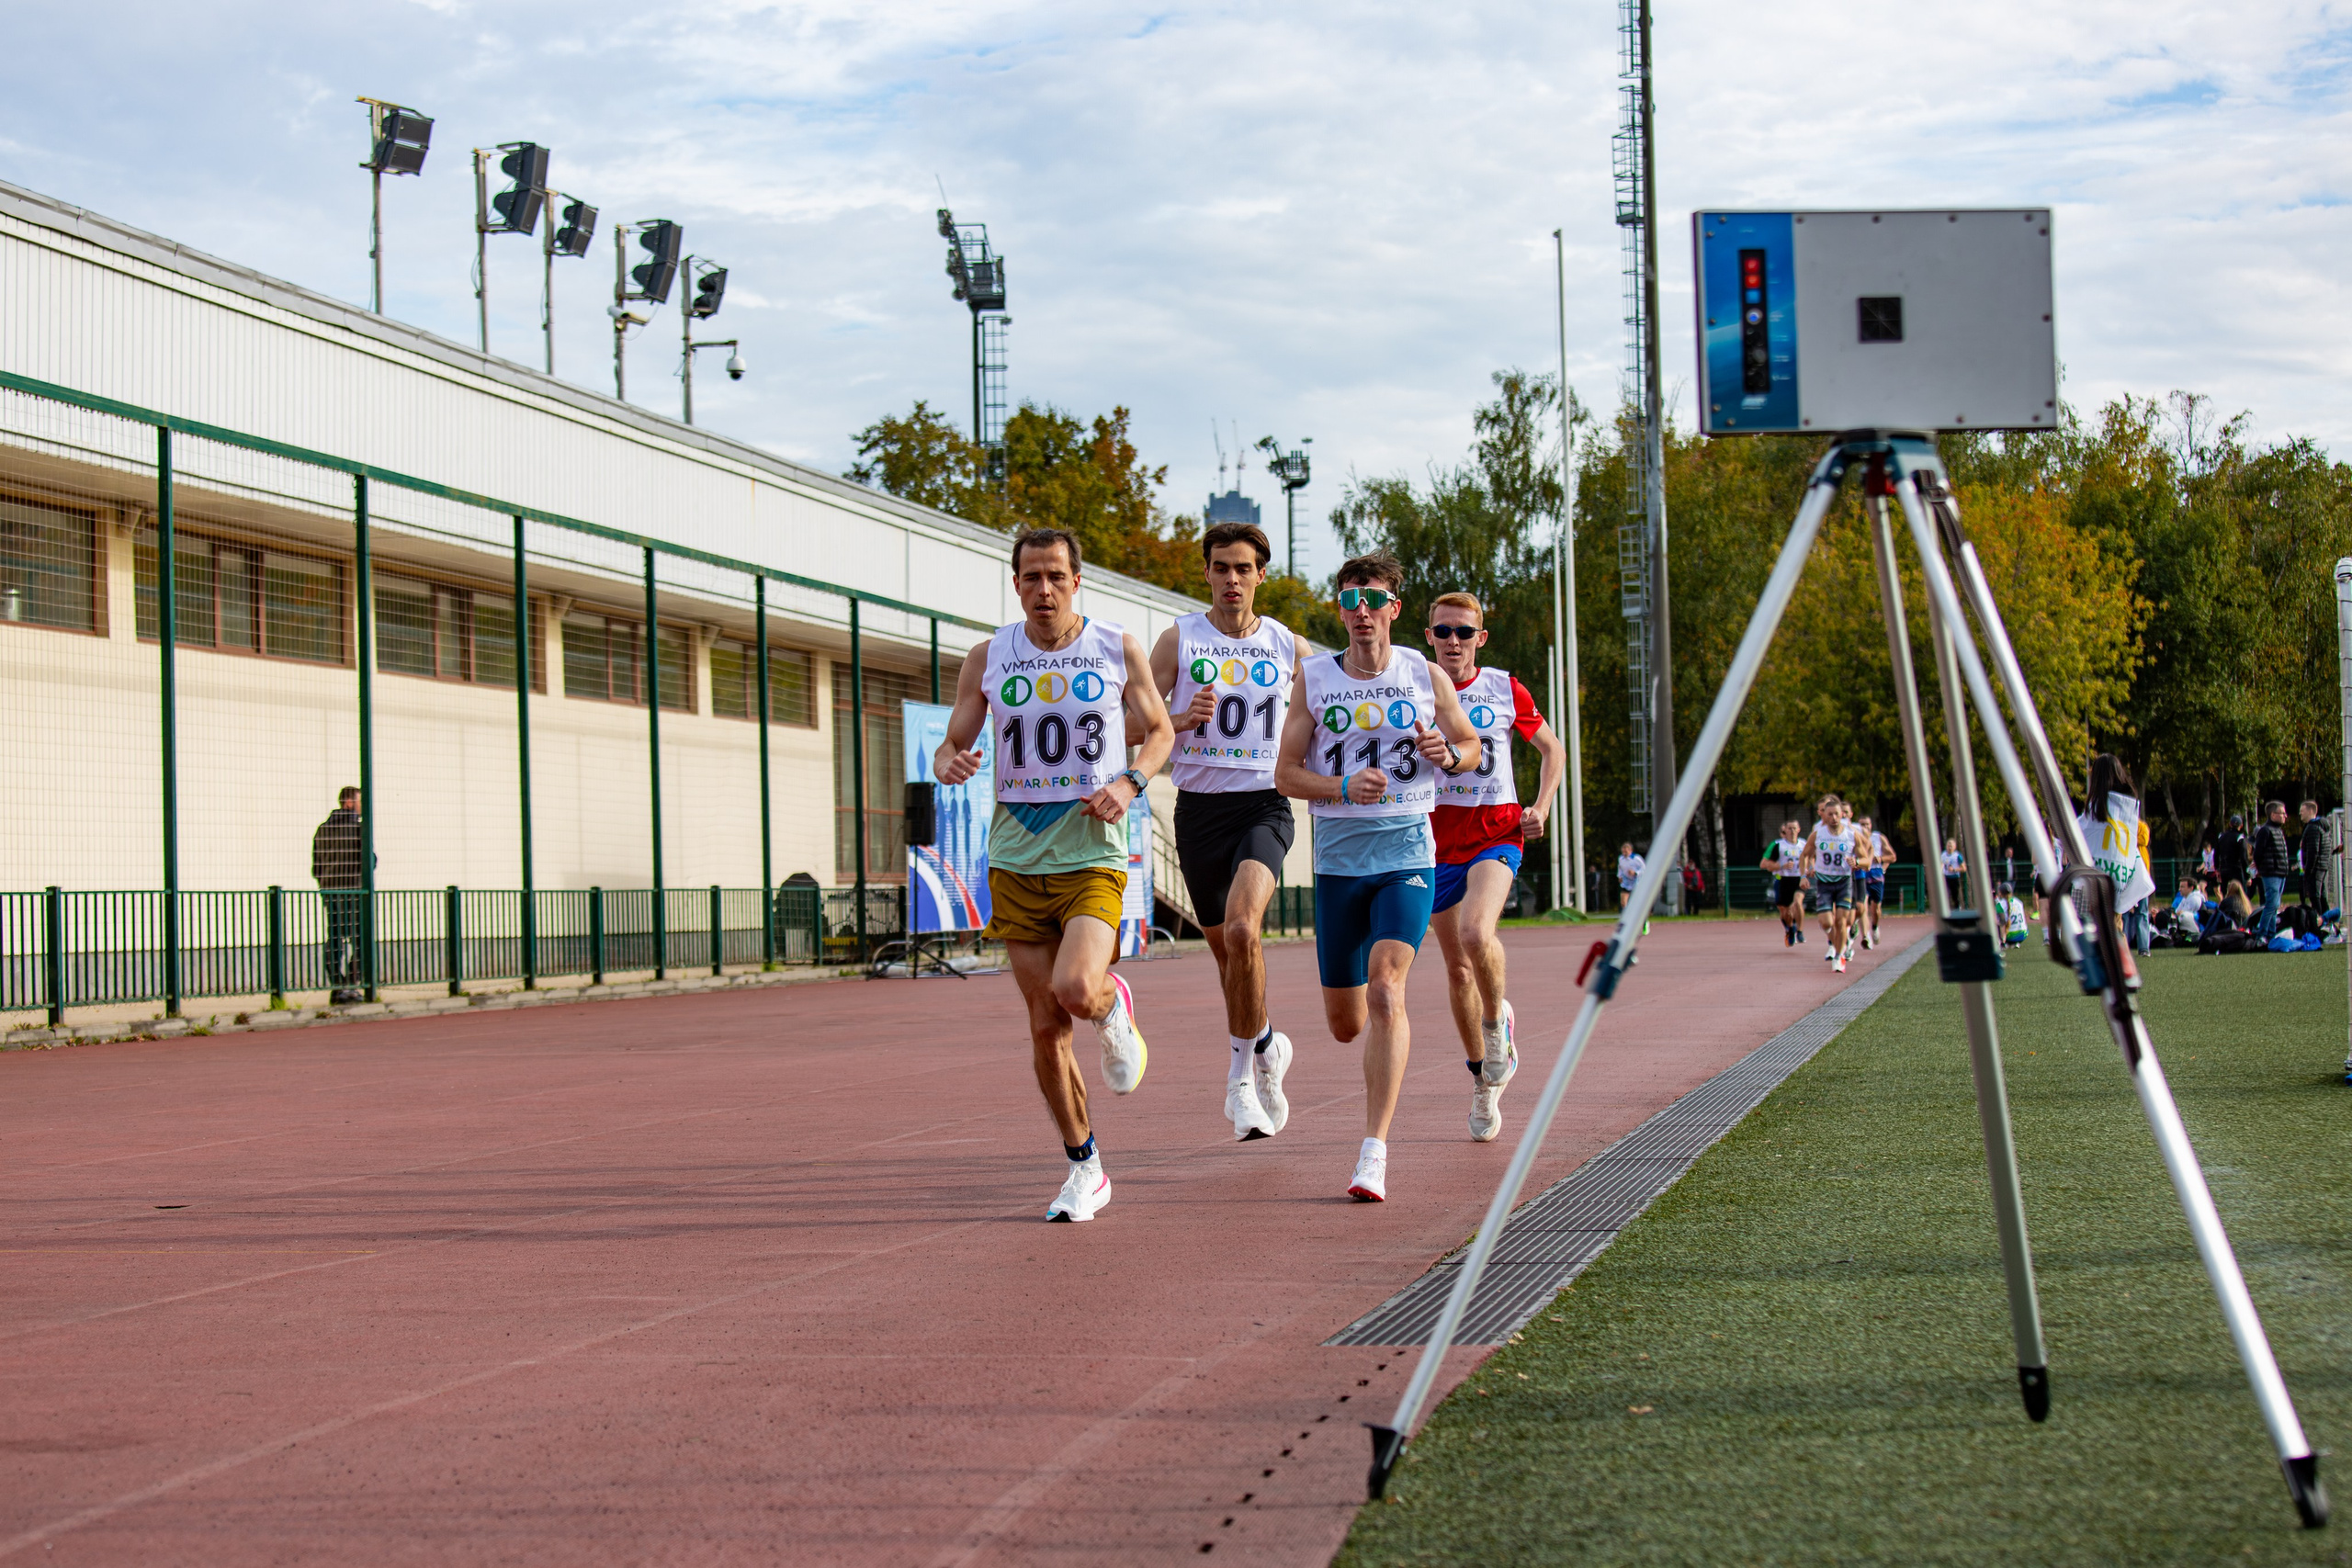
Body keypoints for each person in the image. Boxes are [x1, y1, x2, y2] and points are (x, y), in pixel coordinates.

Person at [934, 527, 1174, 1223]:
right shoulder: (989, 656)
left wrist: (1130, 783)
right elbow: (957, 739)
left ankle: (1110, 1002)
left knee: (1073, 987)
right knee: (1044, 1026)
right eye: (1032, 576)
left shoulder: (1116, 644)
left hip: (1091, 848)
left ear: (1077, 581)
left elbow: (1158, 731)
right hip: (1014, 854)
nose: (1044, 589)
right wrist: (950, 759)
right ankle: (1085, 1165)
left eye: (1056, 576)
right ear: (1016, 584)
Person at [1273, 549, 1480, 1202]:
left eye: (1372, 598)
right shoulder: (1315, 678)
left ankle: (1373, 1152)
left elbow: (1470, 749)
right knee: (1345, 1022)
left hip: (1407, 854)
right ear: (1341, 609)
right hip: (1338, 863)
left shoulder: (1425, 675)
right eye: (1348, 599)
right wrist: (1338, 784)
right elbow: (1284, 773)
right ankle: (1290, 1047)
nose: (1359, 610)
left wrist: (1448, 752)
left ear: (1393, 608)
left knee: (1387, 991)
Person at [1149, 520, 1307, 1142]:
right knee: (1229, 953)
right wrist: (1176, 716)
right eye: (1221, 567)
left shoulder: (1288, 645)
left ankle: (1241, 1077)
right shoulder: (1178, 639)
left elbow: (1336, 706)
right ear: (1207, 573)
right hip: (1199, 812)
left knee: (1244, 927)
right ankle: (1267, 1042)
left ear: (1261, 574)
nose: (1232, 579)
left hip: (1264, 805)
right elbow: (1127, 721)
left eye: (1243, 568)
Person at [1421, 591, 1567, 1143]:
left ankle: (1495, 1026)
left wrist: (1541, 807)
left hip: (1496, 830)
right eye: (1443, 631)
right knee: (1456, 968)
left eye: (1464, 632)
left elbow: (1552, 750)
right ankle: (1483, 1079)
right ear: (1429, 636)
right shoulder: (1412, 687)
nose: (1453, 641)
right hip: (1434, 839)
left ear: (1480, 639)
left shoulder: (1505, 688)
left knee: (1476, 932)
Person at [2079, 754, 2155, 957]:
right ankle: (2120, 968)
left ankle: (2106, 969)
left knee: (2092, 927)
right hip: (2120, 876)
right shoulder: (2128, 806)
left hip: (2095, 879)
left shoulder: (2095, 809)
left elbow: (2079, 833)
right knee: (2115, 925)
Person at [311, 785, 369, 1004]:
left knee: (335, 938)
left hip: (330, 892)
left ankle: (337, 986)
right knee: (361, 940)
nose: (362, 806)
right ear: (349, 803)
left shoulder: (323, 829)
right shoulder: (358, 829)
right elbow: (369, 861)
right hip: (354, 891)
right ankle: (353, 985)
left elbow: (316, 867)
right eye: (359, 801)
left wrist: (326, 882)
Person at [1801, 795, 1862, 974]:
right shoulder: (1817, 833)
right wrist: (1804, 875)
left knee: (1841, 921)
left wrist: (1857, 862)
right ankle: (1838, 946)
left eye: (1836, 814)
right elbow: (1805, 854)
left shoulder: (1851, 833)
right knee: (1826, 922)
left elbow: (1865, 854)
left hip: (1844, 881)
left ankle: (1839, 955)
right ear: (1824, 816)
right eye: (1830, 814)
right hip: (1824, 881)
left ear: (1842, 814)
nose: (1833, 818)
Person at [2249, 800, 2295, 942]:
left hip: (2280, 872)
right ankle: (2262, 933)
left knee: (2275, 905)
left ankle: (2270, 933)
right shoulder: (2266, 830)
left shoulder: (2278, 830)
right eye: (2282, 813)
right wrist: (2263, 868)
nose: (2285, 816)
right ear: (2273, 814)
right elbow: (2258, 852)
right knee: (2271, 904)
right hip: (2272, 872)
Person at [1760, 818, 1807, 948]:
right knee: (1785, 912)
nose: (1792, 831)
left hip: (1799, 878)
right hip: (1783, 879)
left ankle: (1800, 931)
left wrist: (1811, 870)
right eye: (1789, 828)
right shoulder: (1778, 845)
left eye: (1794, 828)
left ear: (1799, 830)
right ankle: (1790, 928)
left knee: (1798, 902)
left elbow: (1812, 858)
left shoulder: (1804, 844)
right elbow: (1765, 864)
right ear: (1784, 830)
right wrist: (1782, 866)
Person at [1856, 814, 1894, 948]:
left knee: (1876, 908)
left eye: (1866, 824)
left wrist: (1882, 860)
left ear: (1871, 825)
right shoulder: (1854, 837)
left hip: (1876, 874)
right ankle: (1865, 936)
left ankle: (1875, 926)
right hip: (1861, 873)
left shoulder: (1879, 837)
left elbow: (1892, 857)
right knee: (1862, 905)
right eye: (1861, 825)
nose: (1864, 827)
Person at [2298, 800, 2331, 916]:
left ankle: (2320, 922)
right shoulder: (2321, 826)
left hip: (2315, 868)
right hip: (2322, 865)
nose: (2300, 814)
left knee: (2315, 896)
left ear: (2311, 811)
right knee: (2321, 895)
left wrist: (2308, 870)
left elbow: (2313, 851)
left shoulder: (2313, 828)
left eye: (2302, 811)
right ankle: (2328, 921)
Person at [1998, 883, 2030, 948]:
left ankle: (2003, 942)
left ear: (2000, 893)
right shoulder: (2019, 902)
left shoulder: (2000, 905)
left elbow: (2000, 922)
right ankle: (2015, 943)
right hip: (2023, 934)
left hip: (2009, 936)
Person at [1939, 838, 1967, 911]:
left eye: (1951, 846)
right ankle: (1945, 909)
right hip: (1945, 877)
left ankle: (1957, 908)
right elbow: (1941, 864)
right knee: (1944, 893)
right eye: (1948, 846)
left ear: (1954, 847)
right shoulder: (1943, 855)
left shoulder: (1957, 856)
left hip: (1954, 877)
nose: (1949, 847)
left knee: (1955, 895)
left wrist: (1954, 869)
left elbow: (1964, 868)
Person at [1616, 842, 1643, 911]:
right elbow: (1620, 868)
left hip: (1636, 882)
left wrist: (1635, 872)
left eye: (1626, 851)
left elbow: (1644, 868)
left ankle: (1642, 918)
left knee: (1636, 902)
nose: (1624, 853)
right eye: (1623, 851)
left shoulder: (1636, 858)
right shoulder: (1621, 858)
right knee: (1623, 902)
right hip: (1626, 882)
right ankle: (1626, 917)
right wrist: (1620, 876)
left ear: (1630, 850)